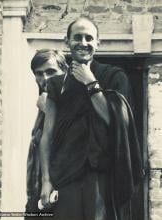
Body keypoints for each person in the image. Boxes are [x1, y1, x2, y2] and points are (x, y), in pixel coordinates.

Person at [39, 16, 144, 220]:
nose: (83, 43)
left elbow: (116, 123)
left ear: (98, 42)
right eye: (77, 37)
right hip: (65, 174)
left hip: (101, 177)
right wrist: (46, 180)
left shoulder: (114, 76)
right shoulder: (56, 84)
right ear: (66, 42)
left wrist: (91, 83)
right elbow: (47, 135)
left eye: (89, 38)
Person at [25, 49, 67, 217]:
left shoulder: (71, 101)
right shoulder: (44, 98)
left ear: (65, 71)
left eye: (51, 72)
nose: (45, 79)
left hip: (58, 193)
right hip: (37, 194)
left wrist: (48, 110)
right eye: (39, 73)